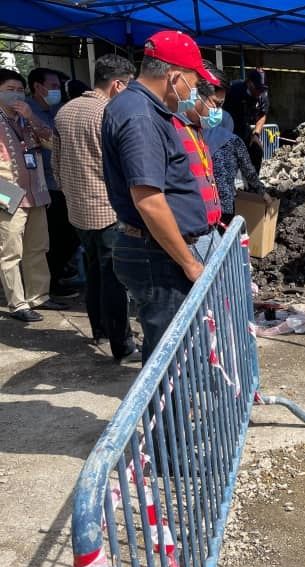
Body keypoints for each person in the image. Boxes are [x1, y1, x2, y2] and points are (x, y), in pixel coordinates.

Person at [102, 30, 220, 362]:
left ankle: (180, 410)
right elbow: (149, 199)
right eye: (194, 85)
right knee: (170, 352)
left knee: (183, 344)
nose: (194, 93)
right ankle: (167, 414)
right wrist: (189, 262)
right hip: (157, 256)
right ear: (175, 78)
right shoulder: (139, 116)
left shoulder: (147, 109)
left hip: (161, 250)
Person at [53, 54, 140, 363]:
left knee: (93, 272)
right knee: (115, 277)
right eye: (129, 85)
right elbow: (124, 166)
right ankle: (123, 345)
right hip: (107, 210)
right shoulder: (110, 113)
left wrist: (72, 194)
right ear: (117, 84)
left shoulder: (66, 110)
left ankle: (100, 329)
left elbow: (57, 163)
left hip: (77, 210)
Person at [0, 68, 59, 322]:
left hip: (36, 190)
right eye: (9, 90)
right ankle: (18, 302)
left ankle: (39, 296)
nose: (16, 95)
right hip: (7, 192)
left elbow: (52, 142)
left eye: (19, 90)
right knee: (10, 250)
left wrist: (32, 117)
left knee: (37, 246)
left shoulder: (26, 119)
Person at [27, 67, 79, 299]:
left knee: (68, 237)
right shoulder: (27, 114)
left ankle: (57, 277)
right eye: (54, 86)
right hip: (41, 186)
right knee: (50, 239)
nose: (57, 91)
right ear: (38, 87)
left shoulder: (60, 110)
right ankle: (48, 285)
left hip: (64, 183)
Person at [202, 74, 265, 224]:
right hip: (224, 205)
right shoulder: (233, 142)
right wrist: (262, 193)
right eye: (216, 103)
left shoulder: (200, 139)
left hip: (204, 205)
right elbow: (249, 171)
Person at [176, 60, 223, 234]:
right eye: (215, 104)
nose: (218, 111)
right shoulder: (172, 129)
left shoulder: (198, 129)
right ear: (196, 95)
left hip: (208, 227)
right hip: (191, 234)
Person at [223, 69, 269, 171]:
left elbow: (262, 114)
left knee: (256, 149)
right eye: (257, 88)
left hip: (244, 128)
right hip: (226, 129)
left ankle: (253, 184)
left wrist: (256, 134)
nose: (259, 92)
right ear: (249, 82)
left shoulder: (262, 95)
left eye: (262, 89)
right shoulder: (233, 89)